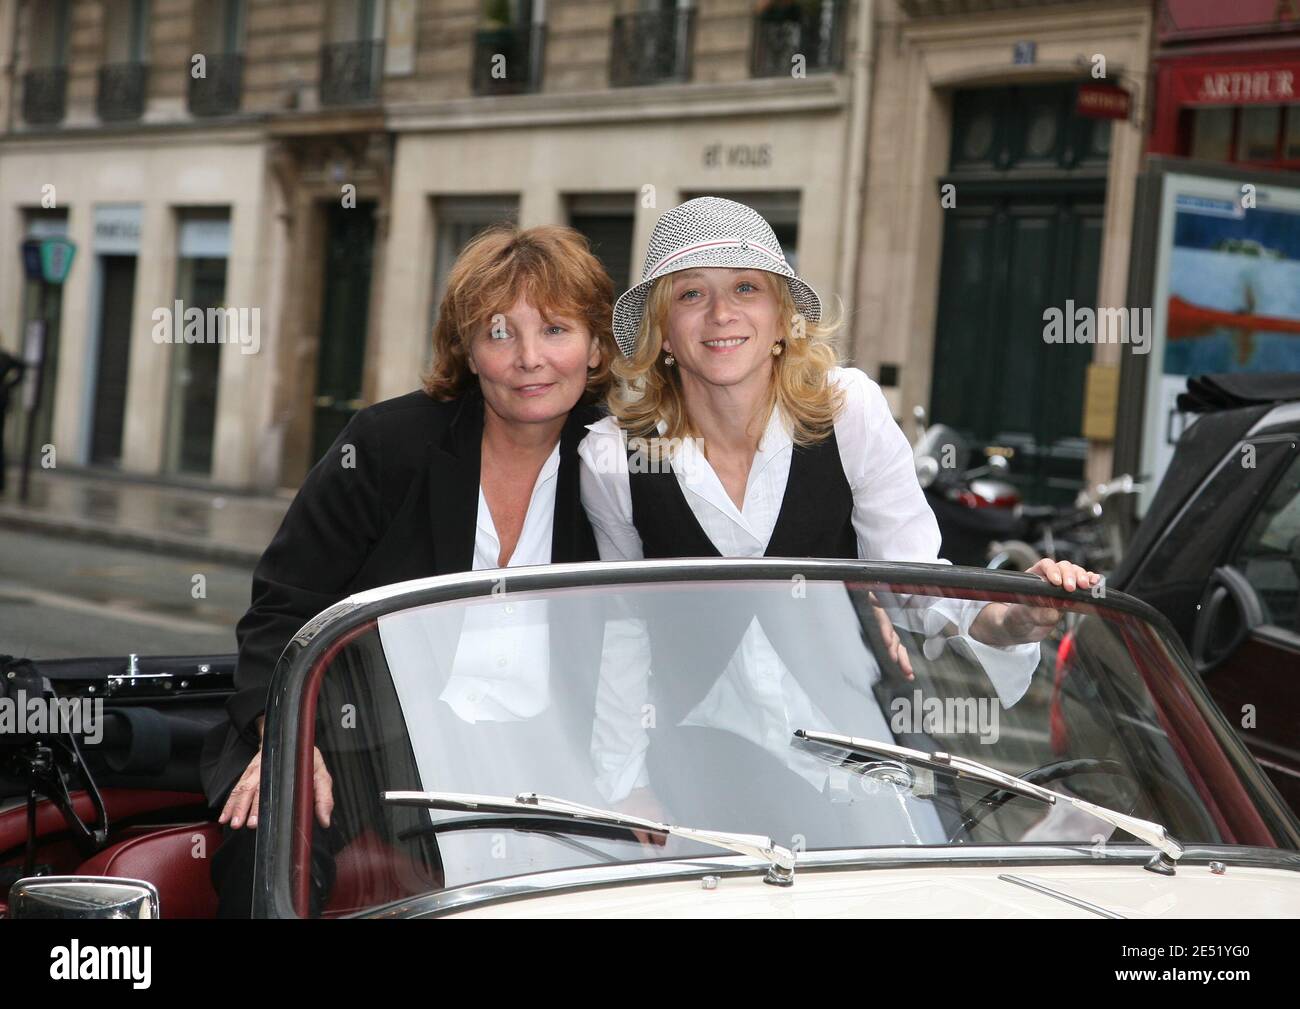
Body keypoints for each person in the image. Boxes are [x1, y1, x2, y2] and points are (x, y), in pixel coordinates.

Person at [578, 197, 1099, 825]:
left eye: (746, 287)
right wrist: (624, 782)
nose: (721, 314)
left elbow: (916, 585)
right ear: (662, 330)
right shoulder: (614, 456)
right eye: (691, 294)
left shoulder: (847, 411)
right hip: (696, 768)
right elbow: (624, 629)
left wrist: (1010, 617)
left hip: (860, 750)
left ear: (780, 320)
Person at [200, 224, 618, 916]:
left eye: (555, 329)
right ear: (468, 350)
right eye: (499, 333)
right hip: (368, 737)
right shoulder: (387, 444)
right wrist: (291, 742)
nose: (530, 359)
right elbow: (282, 605)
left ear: (596, 345)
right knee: (272, 836)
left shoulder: (618, 464)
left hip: (544, 752)